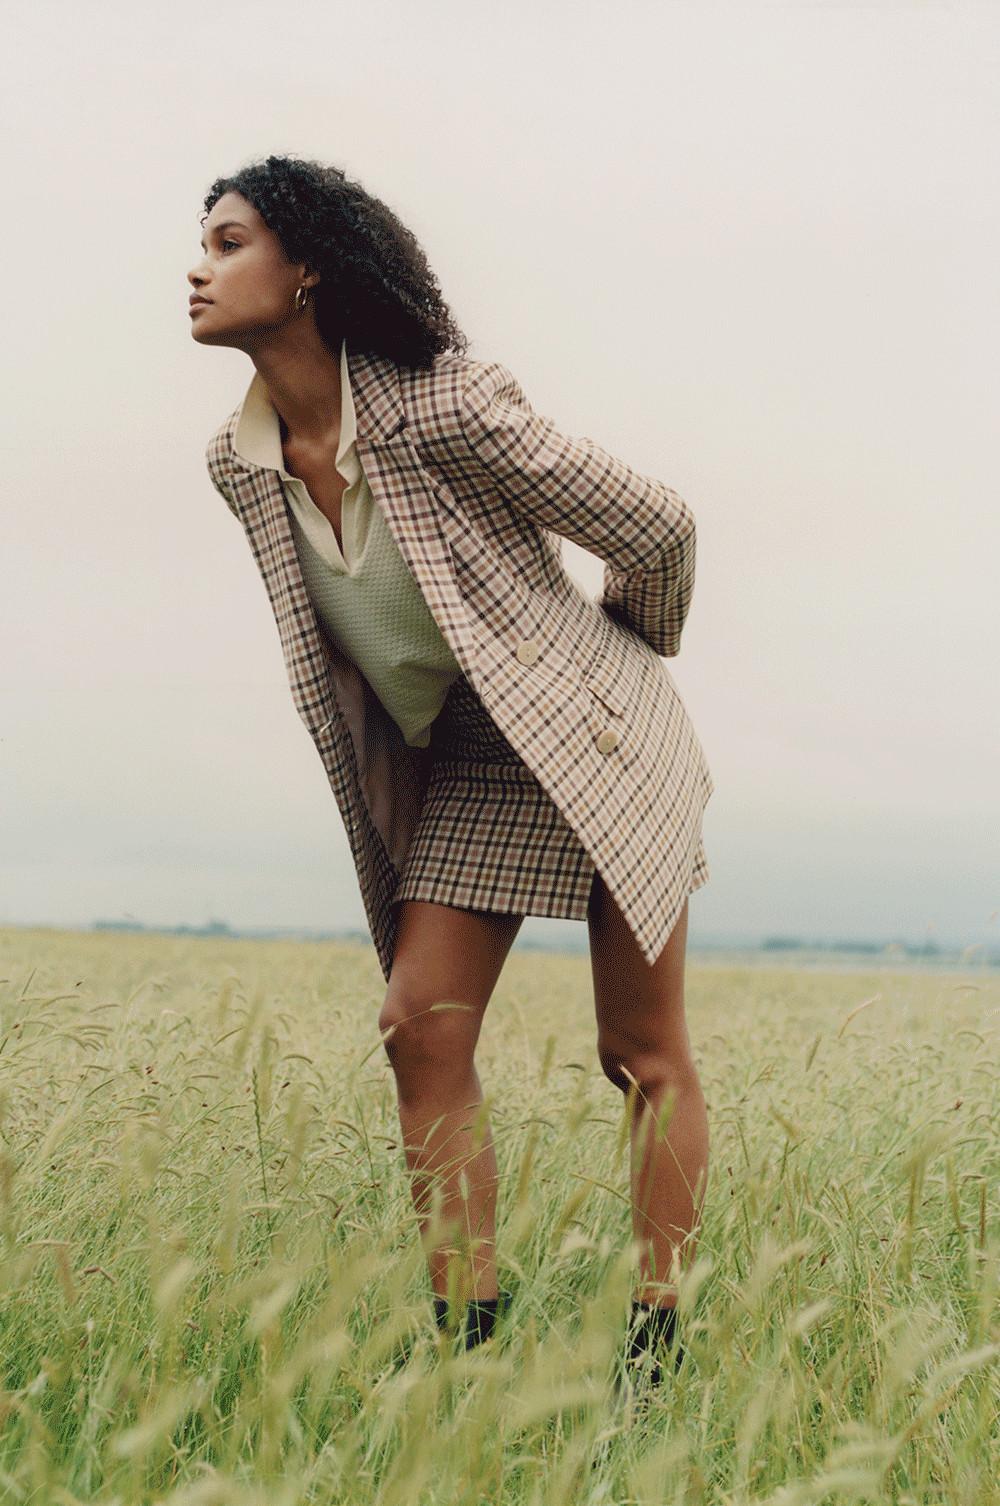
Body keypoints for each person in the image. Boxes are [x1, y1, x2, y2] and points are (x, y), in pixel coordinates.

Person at [188, 153, 714, 1387]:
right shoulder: (238, 461)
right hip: (477, 752)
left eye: (226, 243)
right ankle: (468, 1345)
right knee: (417, 1028)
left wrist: (623, 654)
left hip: (598, 732)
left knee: (639, 1052)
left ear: (307, 267)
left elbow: (657, 527)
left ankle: (658, 1340)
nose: (196, 268)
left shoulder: (446, 403)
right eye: (203, 246)